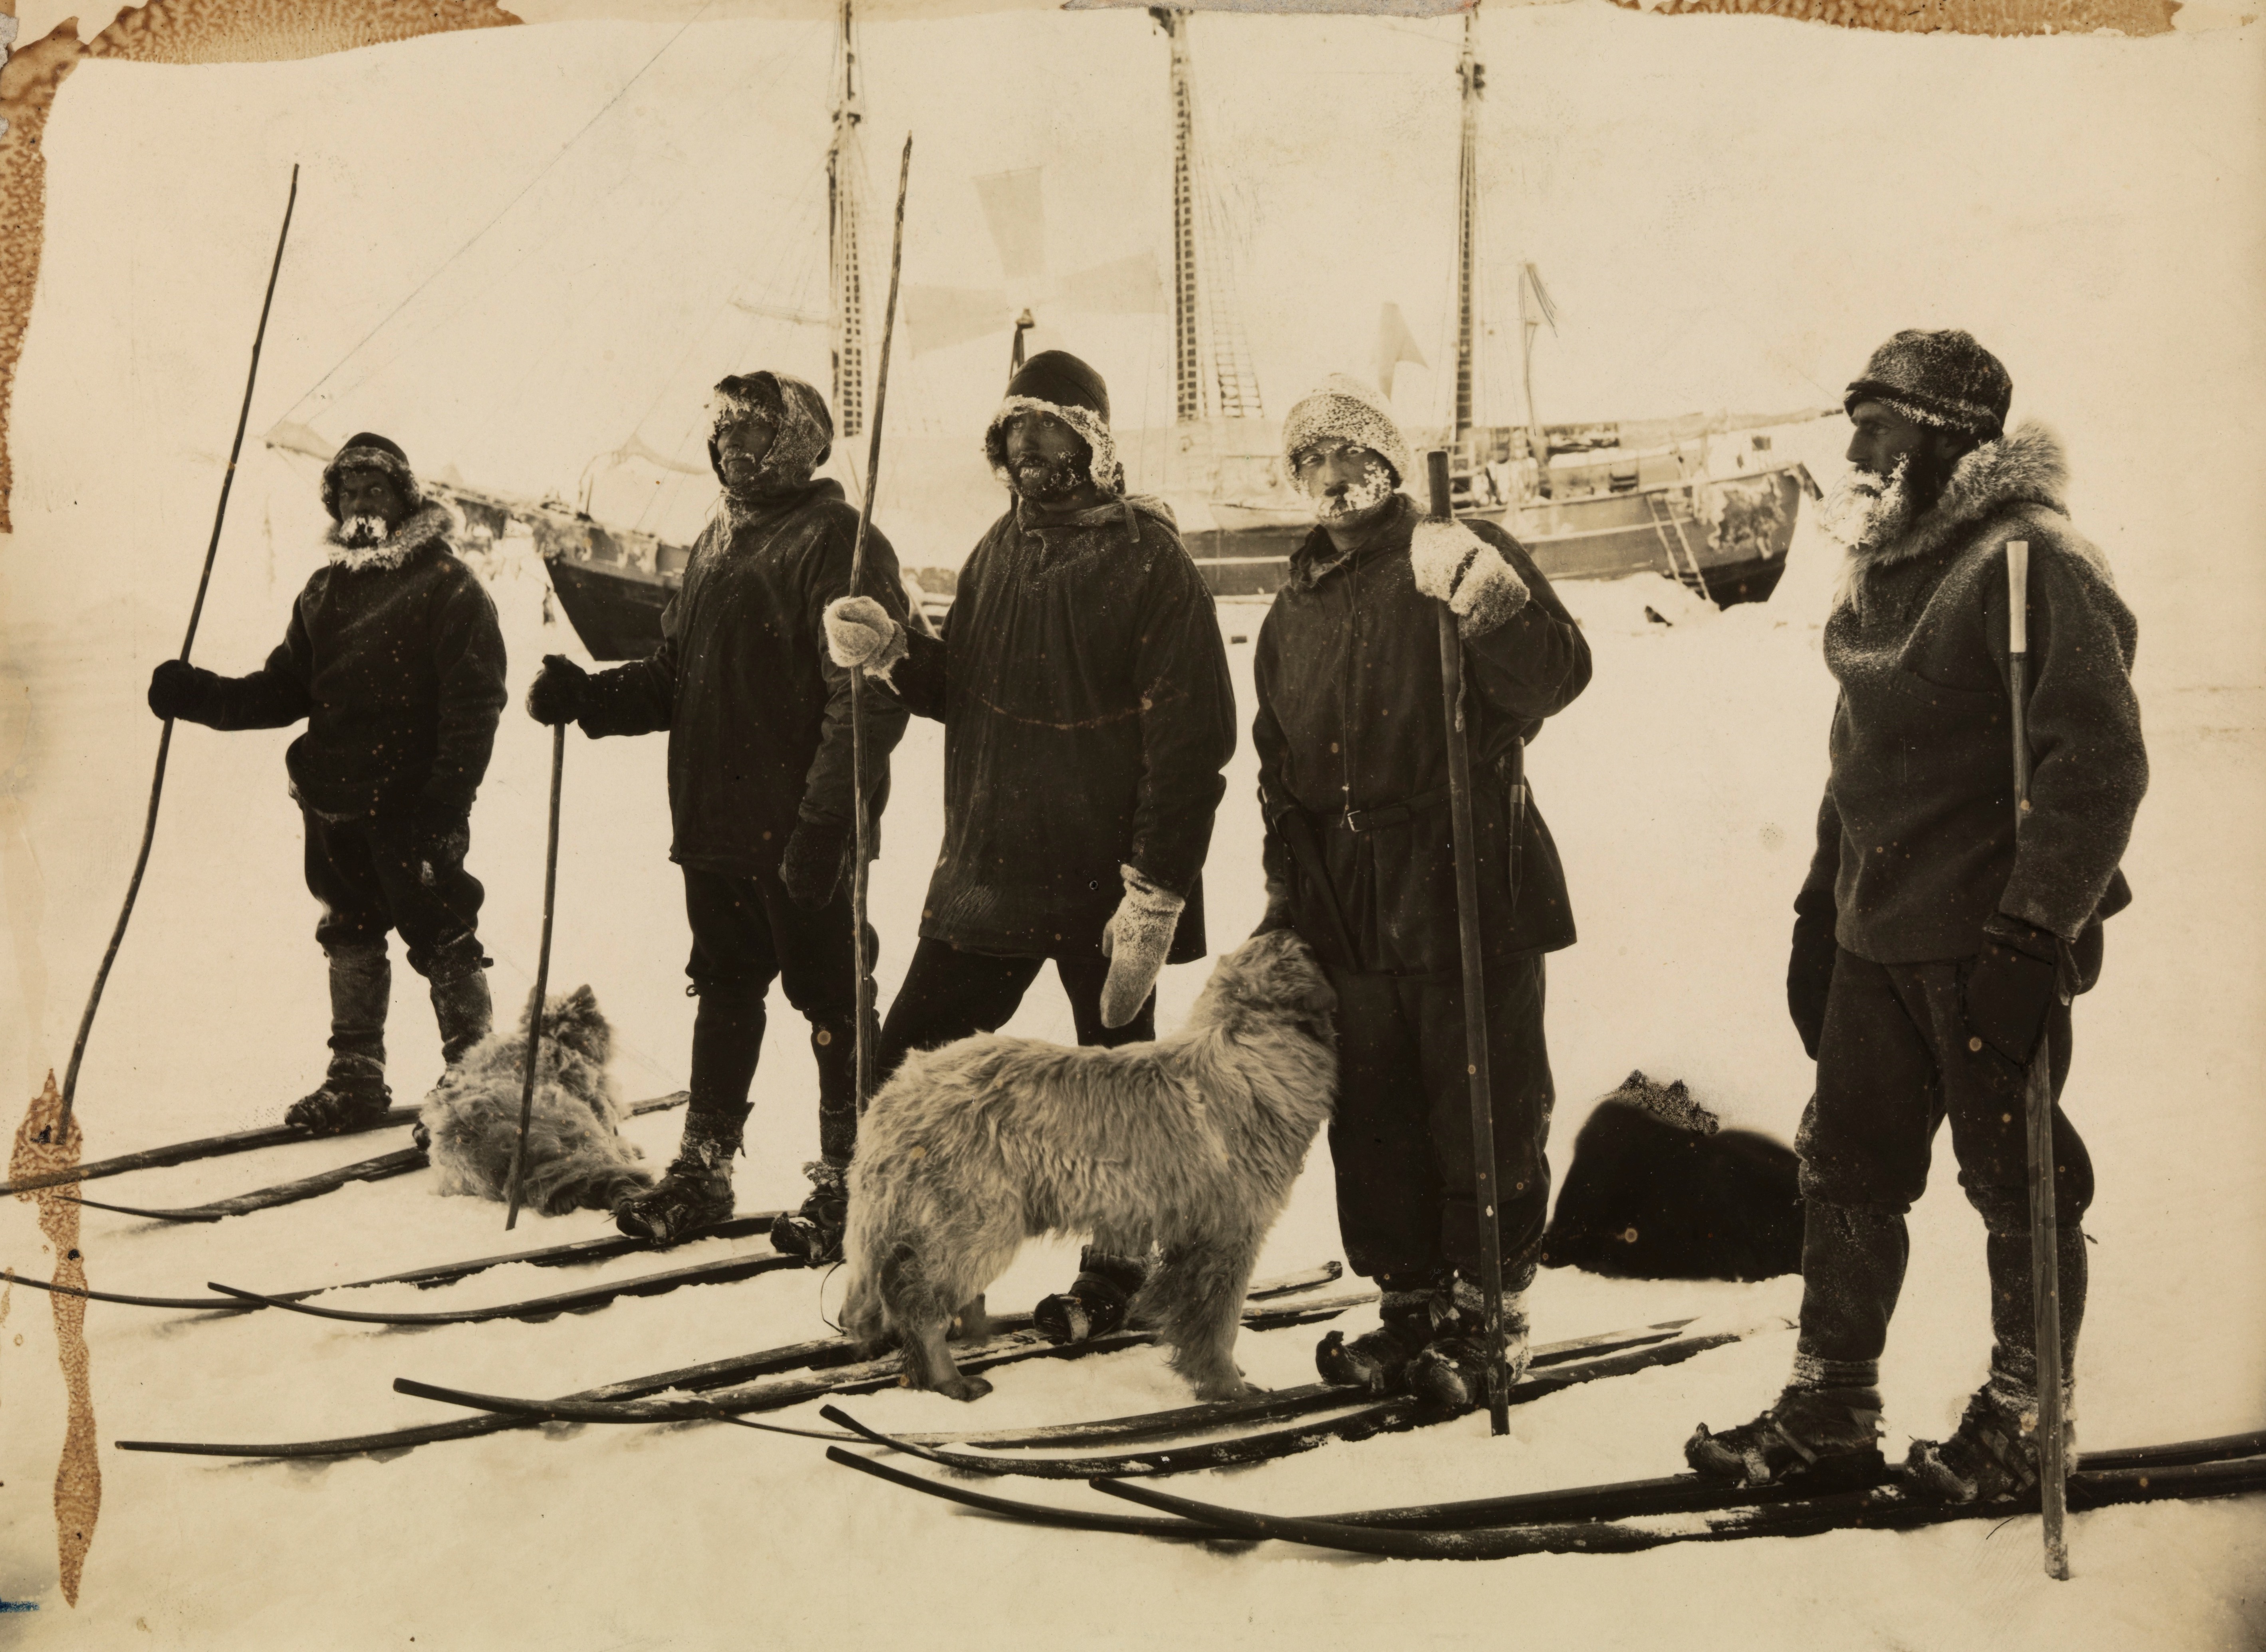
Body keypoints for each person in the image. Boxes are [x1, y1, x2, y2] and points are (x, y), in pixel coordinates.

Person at [1687, 330, 2148, 1503]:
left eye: (1879, 427)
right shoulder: (1890, 565)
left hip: (1983, 942)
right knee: (1844, 1168)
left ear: (1946, 440)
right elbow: (1861, 760)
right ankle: (1831, 1404)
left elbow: (2095, 761)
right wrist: (1816, 909)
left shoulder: (2031, 565)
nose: (1854, 450)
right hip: (1873, 937)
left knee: (2019, 1179)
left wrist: (2035, 931)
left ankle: (2024, 1416)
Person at [822, 349, 1237, 1331]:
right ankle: (915, 1266)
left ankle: (1118, 1269)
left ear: (1094, 447)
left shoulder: (1152, 562)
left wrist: (1154, 895)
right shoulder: (995, 551)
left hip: (1107, 884)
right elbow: (963, 690)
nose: (1037, 465)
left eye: (1056, 445)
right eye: (1019, 445)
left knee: (1119, 1096)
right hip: (990, 871)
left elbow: (1193, 747)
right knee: (907, 1076)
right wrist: (890, 653)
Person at [1250, 375, 1591, 1414]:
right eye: (1314, 466)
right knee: (1377, 1111)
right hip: (1344, 893)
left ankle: (1490, 1312)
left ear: (1394, 466)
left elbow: (1556, 678)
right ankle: (1410, 1308)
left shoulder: (1453, 547)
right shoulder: (1292, 607)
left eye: (1356, 460)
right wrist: (1284, 894)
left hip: (1461, 869)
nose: (1337, 482)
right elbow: (1279, 762)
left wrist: (1489, 598)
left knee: (1479, 1096)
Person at [525, 372, 912, 1249]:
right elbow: (675, 675)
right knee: (727, 988)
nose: (733, 447)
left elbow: (865, 699)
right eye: (726, 432)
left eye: (754, 434)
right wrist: (587, 695)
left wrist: (824, 826)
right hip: (716, 825)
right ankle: (704, 1166)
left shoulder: (839, 542)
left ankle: (855, 1178)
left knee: (832, 1001)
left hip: (803, 830)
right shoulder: (716, 539)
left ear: (800, 445)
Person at [145, 433, 507, 1135]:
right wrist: (195, 695)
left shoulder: (449, 586)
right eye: (348, 491)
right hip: (332, 802)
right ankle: (356, 1080)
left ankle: (477, 1081)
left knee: (442, 936)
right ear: (335, 505)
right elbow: (282, 691)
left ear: (407, 498)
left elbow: (475, 706)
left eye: (376, 489)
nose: (360, 503)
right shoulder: (325, 590)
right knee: (349, 933)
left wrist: (445, 805)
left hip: (411, 806)